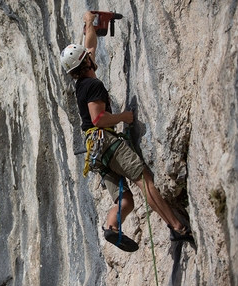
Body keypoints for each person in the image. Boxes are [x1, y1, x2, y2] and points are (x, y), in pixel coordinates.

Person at [60, 11, 194, 252]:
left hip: (97, 154)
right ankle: (178, 228)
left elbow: (89, 45)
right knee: (144, 180)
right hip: (107, 142)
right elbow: (98, 118)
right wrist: (124, 117)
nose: (91, 56)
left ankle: (111, 226)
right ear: (86, 63)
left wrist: (89, 23)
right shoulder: (93, 84)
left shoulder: (82, 81)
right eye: (87, 57)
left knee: (125, 200)